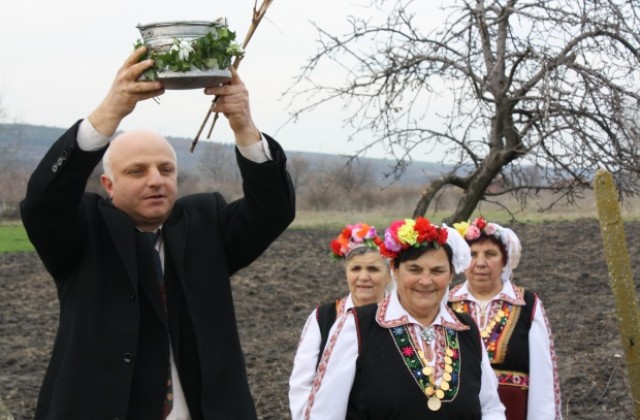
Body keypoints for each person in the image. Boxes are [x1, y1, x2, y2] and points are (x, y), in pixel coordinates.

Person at [19, 45, 295, 420]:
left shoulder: (206, 224)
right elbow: (42, 203)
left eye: (165, 170)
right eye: (136, 171)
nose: (155, 181)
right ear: (108, 184)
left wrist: (243, 125)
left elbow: (274, 209)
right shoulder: (83, 232)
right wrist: (110, 112)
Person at [301, 217, 506, 419]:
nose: (426, 281)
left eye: (437, 271)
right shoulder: (357, 326)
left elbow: (490, 408)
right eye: (414, 269)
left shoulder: (465, 329)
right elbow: (324, 413)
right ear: (395, 270)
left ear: (451, 275)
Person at [449, 217, 561, 420]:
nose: (480, 263)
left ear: (504, 260)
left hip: (513, 411)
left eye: (490, 254)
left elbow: (543, 378)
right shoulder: (447, 305)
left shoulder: (526, 304)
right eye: (473, 254)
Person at [288, 223, 392, 419]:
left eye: (373, 269)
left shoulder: (399, 318)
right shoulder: (324, 318)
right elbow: (302, 384)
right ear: (346, 272)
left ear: (388, 275)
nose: (363, 277)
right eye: (356, 268)